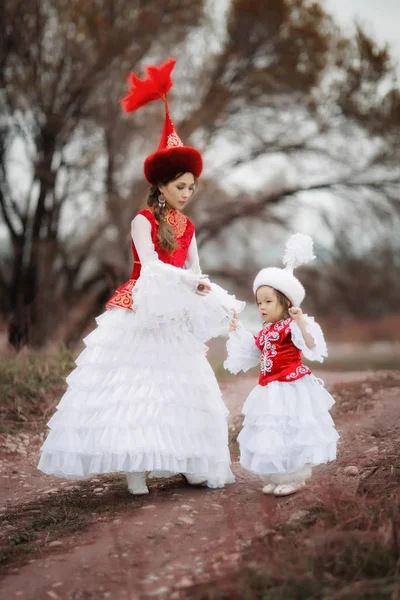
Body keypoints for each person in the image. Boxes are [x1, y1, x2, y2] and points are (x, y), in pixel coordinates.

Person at [38, 58, 244, 494]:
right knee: (139, 386)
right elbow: (150, 266)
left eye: (192, 186)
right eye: (181, 185)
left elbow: (194, 267)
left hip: (175, 315)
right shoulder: (142, 220)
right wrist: (189, 282)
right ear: (163, 185)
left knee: (183, 386)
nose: (187, 193)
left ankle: (188, 458)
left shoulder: (189, 228)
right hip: (142, 307)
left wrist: (202, 285)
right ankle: (137, 470)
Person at [224, 234, 339, 497]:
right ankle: (276, 475)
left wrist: (300, 322)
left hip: (290, 385)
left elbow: (310, 345)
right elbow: (254, 352)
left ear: (285, 303)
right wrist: (237, 330)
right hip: (269, 387)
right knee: (270, 431)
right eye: (259, 303)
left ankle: (294, 476)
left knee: (291, 428)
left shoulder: (291, 325)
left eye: (268, 302)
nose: (262, 307)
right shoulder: (265, 330)